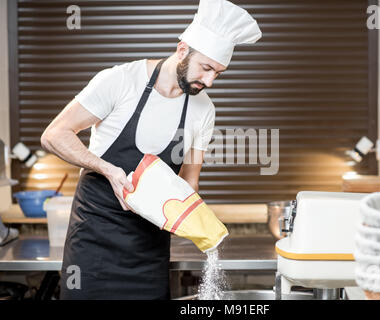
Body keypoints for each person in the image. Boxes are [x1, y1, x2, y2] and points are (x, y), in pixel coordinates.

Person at [41, 0, 261, 299]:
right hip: (94, 240)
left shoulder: (203, 110)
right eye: (206, 68)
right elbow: (54, 135)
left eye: (218, 73)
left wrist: (197, 223)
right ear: (182, 50)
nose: (209, 81)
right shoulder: (120, 81)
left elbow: (190, 181)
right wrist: (109, 170)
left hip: (148, 248)